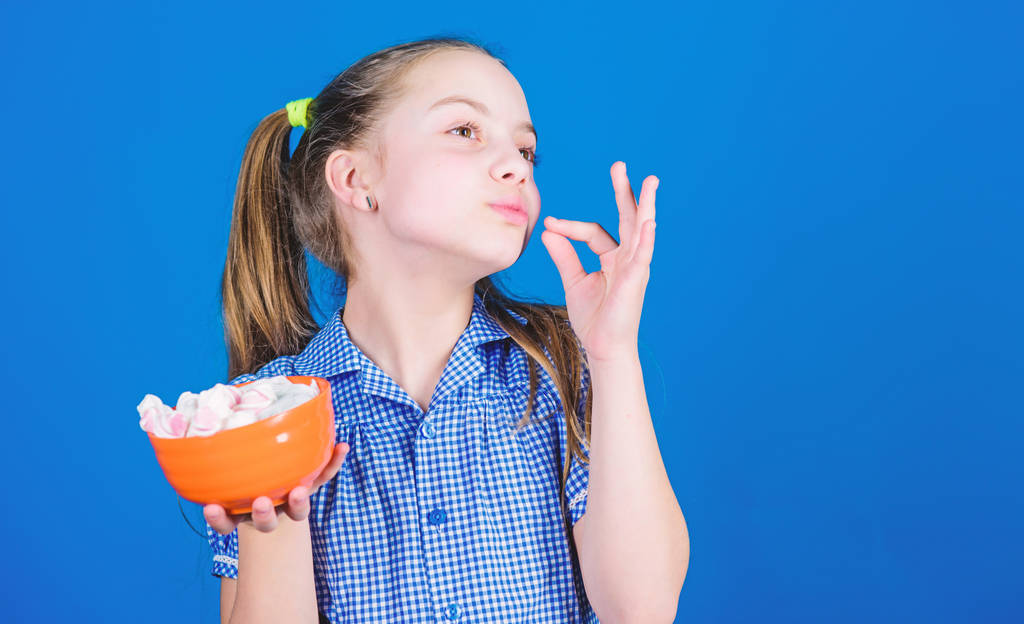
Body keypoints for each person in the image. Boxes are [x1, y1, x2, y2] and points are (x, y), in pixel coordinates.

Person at [203, 36, 688, 624]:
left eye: (527, 151)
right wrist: (273, 515)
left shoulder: (564, 364)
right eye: (465, 131)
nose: (516, 165)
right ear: (356, 179)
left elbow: (643, 609)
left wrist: (613, 356)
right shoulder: (269, 412)